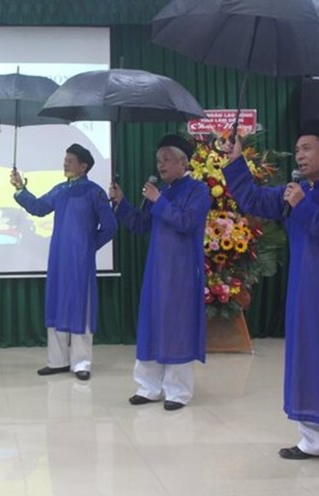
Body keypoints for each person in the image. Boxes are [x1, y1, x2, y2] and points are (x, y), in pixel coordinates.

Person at [223, 119, 319, 476]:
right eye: (299, 148)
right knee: (306, 361)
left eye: (307, 148)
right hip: (302, 293)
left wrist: (303, 204)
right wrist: (235, 162)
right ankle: (313, 440)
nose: (300, 155)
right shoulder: (293, 191)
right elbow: (253, 198)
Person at [109, 135, 210, 410]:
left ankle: (177, 391)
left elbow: (187, 222)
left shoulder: (198, 190)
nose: (161, 165)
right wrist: (122, 203)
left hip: (182, 273)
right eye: (158, 160)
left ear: (182, 162)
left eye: (166, 159)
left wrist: (158, 200)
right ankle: (149, 386)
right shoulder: (160, 191)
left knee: (177, 326)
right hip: (156, 271)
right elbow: (142, 224)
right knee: (152, 324)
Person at [10, 143, 117, 381]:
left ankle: (81, 363)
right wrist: (20, 188)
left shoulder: (94, 192)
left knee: (81, 307)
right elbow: (38, 208)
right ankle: (57, 361)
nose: (65, 163)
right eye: (65, 159)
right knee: (57, 305)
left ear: (83, 166)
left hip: (81, 261)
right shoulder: (60, 190)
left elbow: (110, 227)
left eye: (69, 160)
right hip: (58, 258)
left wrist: (89, 247)